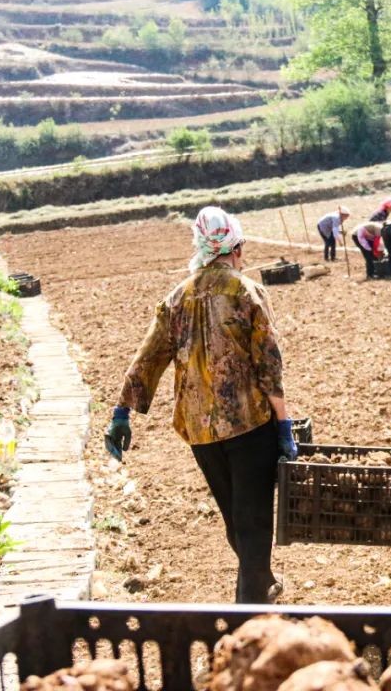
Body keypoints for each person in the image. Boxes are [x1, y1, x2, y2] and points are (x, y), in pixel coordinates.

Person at [104, 206, 298, 605]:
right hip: (249, 424)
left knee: (234, 517)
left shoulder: (178, 296)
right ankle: (251, 608)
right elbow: (269, 364)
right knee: (254, 521)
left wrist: (122, 411)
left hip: (200, 430)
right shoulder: (246, 291)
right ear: (237, 247)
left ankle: (260, 584)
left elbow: (149, 357)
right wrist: (284, 424)